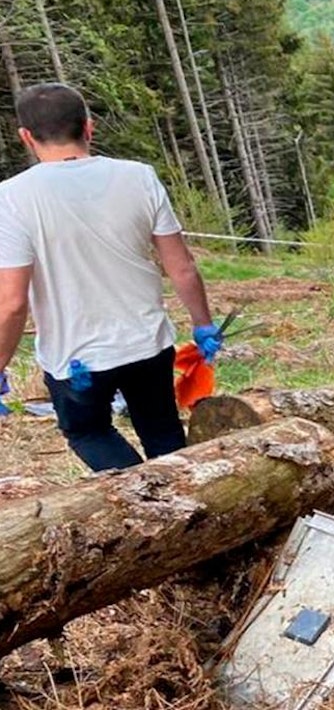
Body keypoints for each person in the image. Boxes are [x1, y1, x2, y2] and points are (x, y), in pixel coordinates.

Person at [0, 84, 223, 471]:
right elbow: (182, 266)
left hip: (75, 358)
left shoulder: (12, 198)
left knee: (89, 432)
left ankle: (142, 493)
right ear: (89, 127)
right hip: (147, 343)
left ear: (26, 136)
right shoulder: (139, 177)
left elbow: (13, 303)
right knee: (162, 431)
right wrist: (203, 324)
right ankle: (177, 491)